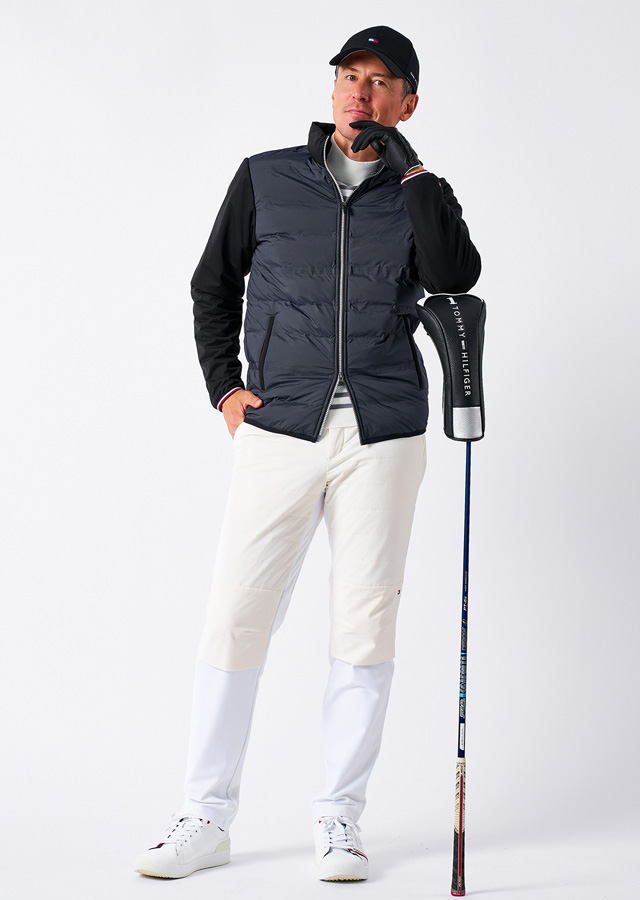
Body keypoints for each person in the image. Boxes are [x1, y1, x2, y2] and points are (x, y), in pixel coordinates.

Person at [134, 24, 481, 883]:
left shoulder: (420, 191)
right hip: (280, 425)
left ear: (406, 103)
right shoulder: (266, 177)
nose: (360, 91)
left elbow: (454, 276)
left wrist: (411, 171)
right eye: (349, 75)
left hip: (383, 433)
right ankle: (205, 815)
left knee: (365, 624)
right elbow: (213, 285)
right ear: (332, 89)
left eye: (380, 81)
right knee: (236, 616)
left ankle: (339, 819)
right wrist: (225, 388)